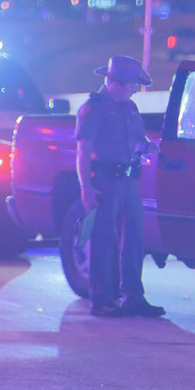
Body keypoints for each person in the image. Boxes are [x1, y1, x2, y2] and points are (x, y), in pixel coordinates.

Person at [75, 55, 164, 318]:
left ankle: (133, 296)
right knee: (102, 240)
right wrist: (86, 187)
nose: (136, 89)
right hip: (104, 181)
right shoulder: (94, 108)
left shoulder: (130, 108)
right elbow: (83, 150)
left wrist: (147, 146)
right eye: (132, 84)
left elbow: (136, 139)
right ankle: (102, 299)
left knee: (134, 239)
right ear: (116, 83)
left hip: (127, 181)